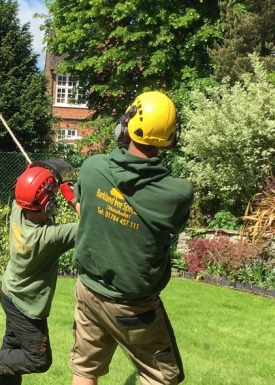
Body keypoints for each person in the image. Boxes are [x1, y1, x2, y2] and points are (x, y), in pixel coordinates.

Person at [63, 91, 194, 385]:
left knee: (85, 370)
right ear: (169, 138)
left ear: (125, 126)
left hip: (88, 291)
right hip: (133, 307)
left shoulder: (93, 167)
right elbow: (171, 225)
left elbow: (90, 210)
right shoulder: (177, 193)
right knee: (161, 376)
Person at [0, 165, 79, 385]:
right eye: (52, 198)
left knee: (12, 350)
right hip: (25, 305)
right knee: (38, 359)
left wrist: (41, 180)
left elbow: (26, 182)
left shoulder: (18, 206)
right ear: (46, 207)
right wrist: (72, 199)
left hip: (8, 290)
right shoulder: (48, 238)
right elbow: (91, 226)